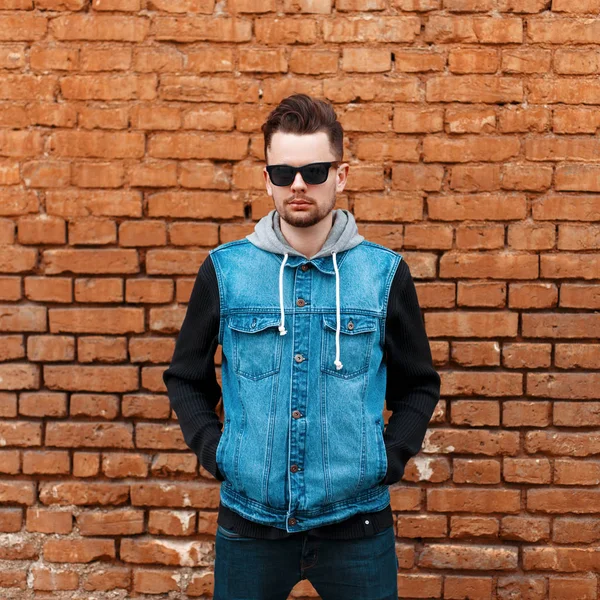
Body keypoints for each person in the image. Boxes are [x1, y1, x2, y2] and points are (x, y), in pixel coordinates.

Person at [163, 93, 441, 600]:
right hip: (250, 523)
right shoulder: (226, 272)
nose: (298, 185)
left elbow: (419, 384)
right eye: (282, 172)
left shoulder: (383, 275)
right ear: (264, 176)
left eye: (314, 170)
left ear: (342, 174)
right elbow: (185, 377)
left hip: (357, 524)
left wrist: (387, 457)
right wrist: (217, 450)